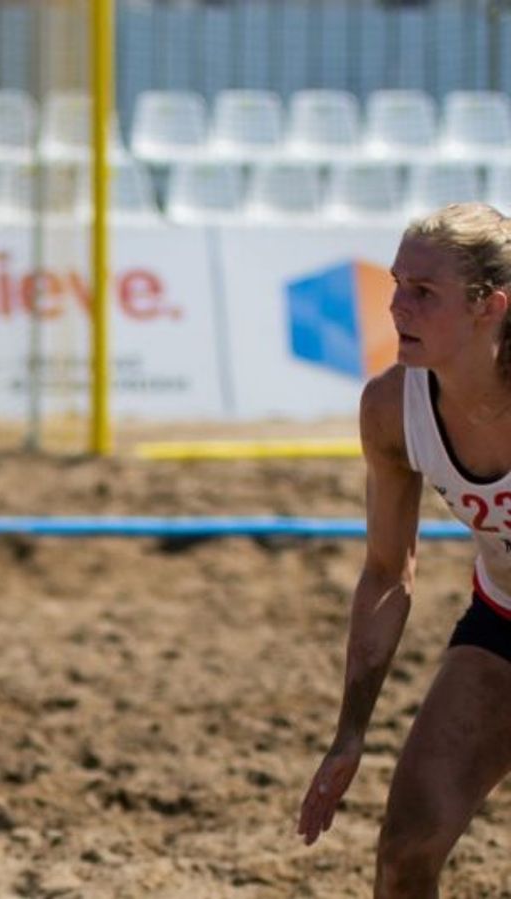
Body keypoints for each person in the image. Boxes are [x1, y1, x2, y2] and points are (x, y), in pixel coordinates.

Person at [298, 202, 511, 897]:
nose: (395, 306)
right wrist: (350, 731)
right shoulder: (392, 407)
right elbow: (388, 572)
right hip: (501, 622)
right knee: (405, 851)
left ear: (491, 306)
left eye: (423, 292)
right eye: (395, 284)